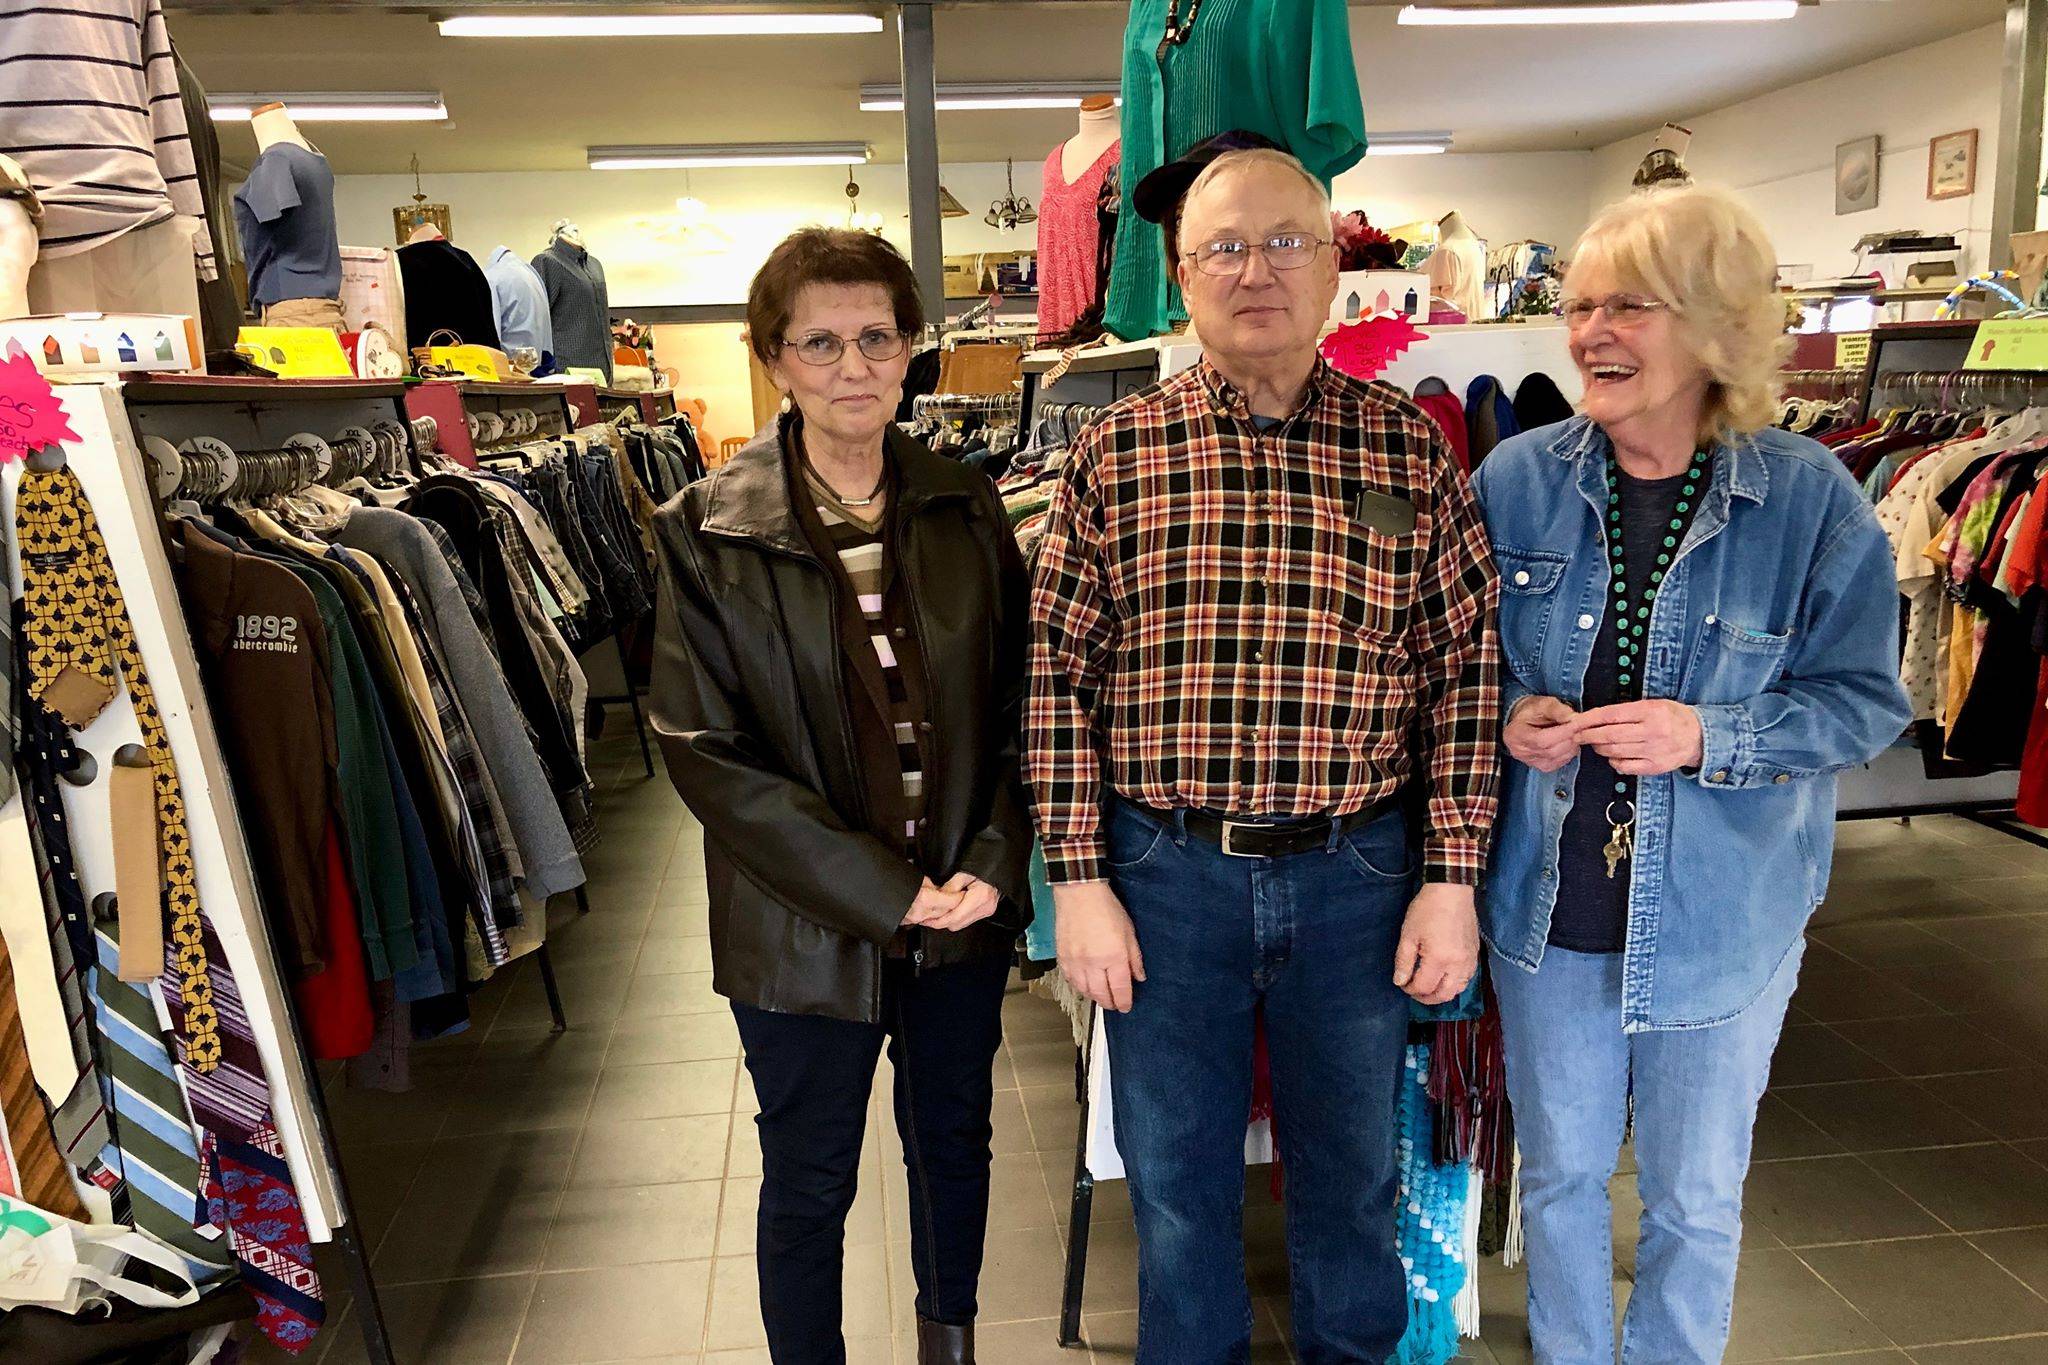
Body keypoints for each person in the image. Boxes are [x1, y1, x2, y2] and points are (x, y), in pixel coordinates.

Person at [1027, 140, 1503, 1364]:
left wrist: (1449, 879)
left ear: (1333, 262)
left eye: (1284, 240)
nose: (1256, 270)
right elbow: (1055, 684)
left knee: (1348, 1183)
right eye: (1221, 248)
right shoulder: (1111, 457)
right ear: (1182, 278)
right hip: (1162, 876)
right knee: (1176, 1191)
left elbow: (1459, 679)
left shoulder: (1408, 453)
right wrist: (1076, 882)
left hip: (1358, 877)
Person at [1471, 184, 1913, 1365]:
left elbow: (1866, 704)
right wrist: (1509, 716)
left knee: (1692, 1198)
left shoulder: (1808, 499)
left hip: (1723, 917)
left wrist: (1707, 736)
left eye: (1628, 306)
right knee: (1559, 1179)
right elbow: (1450, 675)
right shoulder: (1514, 479)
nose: (1589, 333)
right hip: (1546, 907)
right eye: (1577, 306)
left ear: (1714, 323)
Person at [649, 227, 1033, 1365]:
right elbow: (704, 751)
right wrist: (883, 892)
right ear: (773, 359)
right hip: (798, 930)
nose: (853, 365)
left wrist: (994, 862)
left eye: (876, 337)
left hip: (960, 906)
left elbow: (1023, 710)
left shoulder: (968, 508)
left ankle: (946, 1346)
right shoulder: (705, 530)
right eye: (820, 341)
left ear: (913, 349)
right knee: (809, 1175)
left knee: (951, 1148)